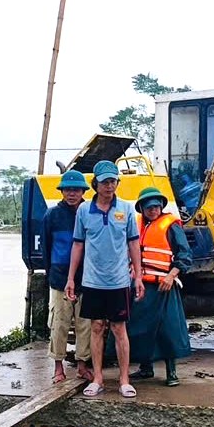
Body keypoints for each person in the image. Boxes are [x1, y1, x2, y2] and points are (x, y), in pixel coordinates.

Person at [65, 160, 144, 398]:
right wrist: (71, 278)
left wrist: (138, 276)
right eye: (105, 182)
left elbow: (133, 244)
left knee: (119, 328)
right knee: (97, 327)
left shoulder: (127, 209)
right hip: (92, 281)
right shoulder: (83, 210)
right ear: (95, 184)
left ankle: (124, 380)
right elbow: (78, 245)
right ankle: (98, 378)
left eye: (113, 181)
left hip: (119, 281)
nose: (110, 186)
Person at [127, 187, 192, 386]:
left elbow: (185, 254)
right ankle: (146, 368)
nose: (153, 210)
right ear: (142, 208)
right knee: (140, 328)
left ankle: (172, 372)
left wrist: (171, 276)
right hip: (140, 285)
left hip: (164, 286)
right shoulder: (136, 224)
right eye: (149, 207)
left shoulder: (171, 226)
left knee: (167, 329)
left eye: (156, 206)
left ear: (161, 207)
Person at [42, 170, 93, 384]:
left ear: (83, 192)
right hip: (60, 278)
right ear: (62, 192)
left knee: (85, 324)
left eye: (76, 190)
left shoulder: (90, 212)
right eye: (68, 190)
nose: (72, 194)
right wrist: (51, 274)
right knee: (59, 323)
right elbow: (46, 248)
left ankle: (82, 365)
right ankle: (58, 367)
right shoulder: (52, 215)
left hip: (87, 278)